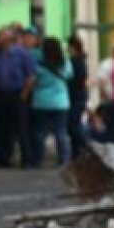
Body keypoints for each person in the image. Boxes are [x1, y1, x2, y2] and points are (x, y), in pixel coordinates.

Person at [0, 26, 35, 167]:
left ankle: (26, 159)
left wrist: (24, 94)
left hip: (17, 93)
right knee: (1, 127)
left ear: (9, 39)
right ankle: (3, 157)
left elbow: (30, 76)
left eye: (2, 37)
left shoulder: (22, 53)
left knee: (21, 128)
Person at [25, 36, 72, 166]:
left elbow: (32, 79)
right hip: (61, 102)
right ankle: (63, 159)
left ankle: (38, 158)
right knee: (61, 132)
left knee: (39, 132)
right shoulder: (65, 63)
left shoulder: (38, 65)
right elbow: (69, 76)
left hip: (41, 102)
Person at [66, 36, 89, 158]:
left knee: (73, 125)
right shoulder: (81, 60)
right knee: (74, 123)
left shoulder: (75, 61)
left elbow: (78, 80)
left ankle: (85, 145)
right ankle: (76, 151)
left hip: (76, 96)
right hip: (79, 95)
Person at [97, 38, 114, 103]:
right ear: (113, 50)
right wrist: (103, 95)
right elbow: (102, 80)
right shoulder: (106, 63)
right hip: (109, 98)